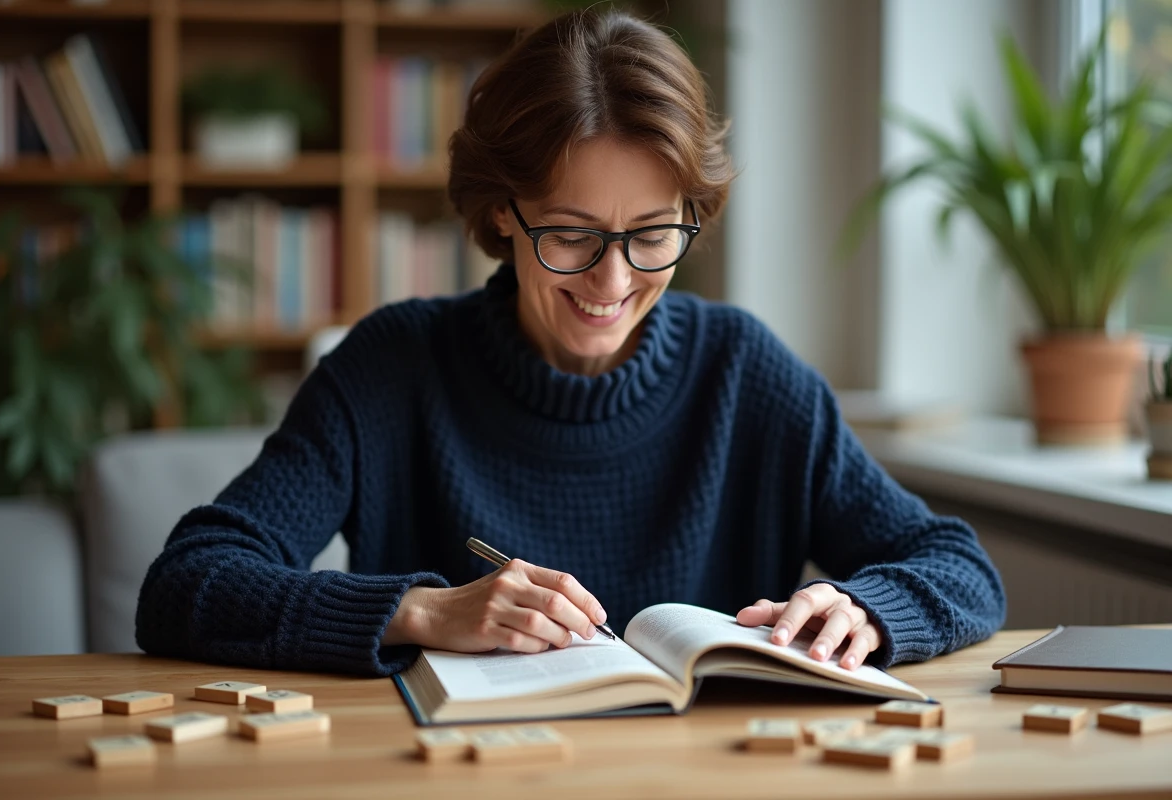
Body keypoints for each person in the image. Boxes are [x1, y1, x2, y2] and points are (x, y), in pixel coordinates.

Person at [136, 9, 1006, 677]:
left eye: (654, 233)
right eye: (572, 234)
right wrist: (424, 613)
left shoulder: (746, 372)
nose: (613, 281)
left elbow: (962, 567)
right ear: (499, 215)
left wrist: (869, 607)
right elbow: (186, 583)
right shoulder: (392, 369)